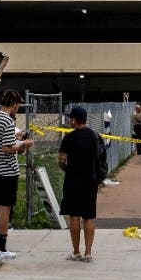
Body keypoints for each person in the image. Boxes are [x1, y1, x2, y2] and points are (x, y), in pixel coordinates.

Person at [0, 89, 33, 260]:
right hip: (7, 172)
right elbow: (6, 148)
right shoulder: (7, 120)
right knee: (5, 209)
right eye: (18, 105)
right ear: (13, 104)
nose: (18, 109)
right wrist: (24, 144)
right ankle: (2, 248)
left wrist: (16, 142)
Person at [58, 106, 101, 262]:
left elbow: (62, 161)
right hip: (90, 180)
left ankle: (76, 252)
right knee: (89, 216)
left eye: (71, 118)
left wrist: (67, 168)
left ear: (74, 120)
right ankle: (88, 253)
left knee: (74, 216)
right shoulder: (94, 136)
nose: (70, 120)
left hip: (73, 181)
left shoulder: (68, 138)